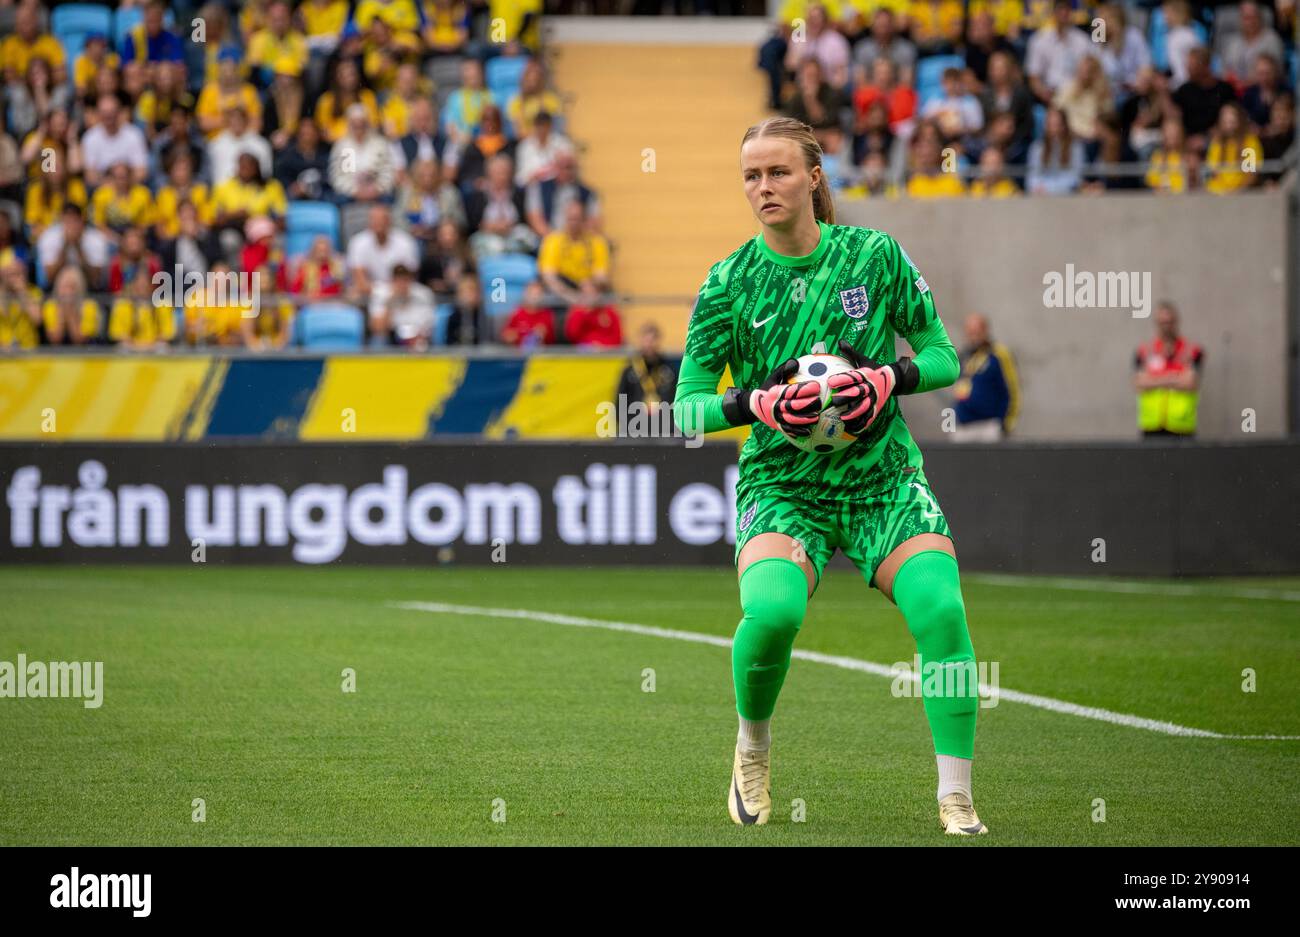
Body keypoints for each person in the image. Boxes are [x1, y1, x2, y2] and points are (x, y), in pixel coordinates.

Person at [671, 116, 985, 835]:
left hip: (882, 480)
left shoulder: (873, 256)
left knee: (941, 610)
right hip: (783, 486)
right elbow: (684, 409)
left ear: (813, 176)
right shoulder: (727, 281)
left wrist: (888, 377)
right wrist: (753, 402)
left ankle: (956, 794)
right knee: (774, 612)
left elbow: (943, 353)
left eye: (777, 172)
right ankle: (752, 745)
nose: (763, 187)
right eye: (751, 175)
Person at [1134, 300, 1203, 439]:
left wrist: (1155, 379)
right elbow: (1140, 383)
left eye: (1169, 322)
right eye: (1162, 322)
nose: (1166, 326)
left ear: (1176, 322)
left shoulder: (1191, 351)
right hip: (1151, 427)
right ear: (1156, 323)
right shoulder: (1145, 351)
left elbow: (1190, 383)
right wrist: (1174, 377)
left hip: (1182, 427)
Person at [950, 313, 1019, 440]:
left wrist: (1007, 424)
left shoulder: (999, 354)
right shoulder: (963, 356)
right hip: (963, 426)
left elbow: (1013, 388)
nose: (973, 337)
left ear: (985, 330)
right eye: (970, 332)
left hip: (990, 426)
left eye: (976, 332)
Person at [616, 322, 676, 421]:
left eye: (653, 340)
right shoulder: (629, 371)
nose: (649, 344)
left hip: (663, 429)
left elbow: (676, 402)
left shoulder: (669, 371)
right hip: (634, 428)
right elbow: (619, 404)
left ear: (659, 341)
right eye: (646, 340)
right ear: (640, 340)